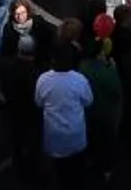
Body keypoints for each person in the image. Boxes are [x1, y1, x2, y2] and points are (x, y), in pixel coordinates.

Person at [36, 47, 96, 189]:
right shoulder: (79, 79)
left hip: (54, 136)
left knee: (57, 175)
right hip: (76, 136)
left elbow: (38, 102)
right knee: (76, 175)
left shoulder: (43, 80)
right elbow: (89, 101)